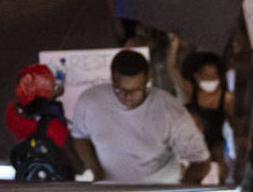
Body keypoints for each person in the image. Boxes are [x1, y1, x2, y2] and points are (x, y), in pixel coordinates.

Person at [71, 49, 211, 184]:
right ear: (112, 79)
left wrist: (182, 191)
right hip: (110, 190)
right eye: (120, 89)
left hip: (159, 191)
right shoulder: (90, 101)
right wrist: (97, 171)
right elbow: (80, 137)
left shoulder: (169, 110)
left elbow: (201, 161)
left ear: (147, 80)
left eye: (135, 90)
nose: (127, 97)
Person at [168, 43, 236, 181]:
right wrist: (174, 45)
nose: (210, 79)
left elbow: (234, 122)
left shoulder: (227, 97)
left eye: (213, 75)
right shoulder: (192, 92)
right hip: (192, 143)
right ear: (197, 76)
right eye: (206, 75)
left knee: (216, 174)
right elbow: (172, 69)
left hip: (215, 146)